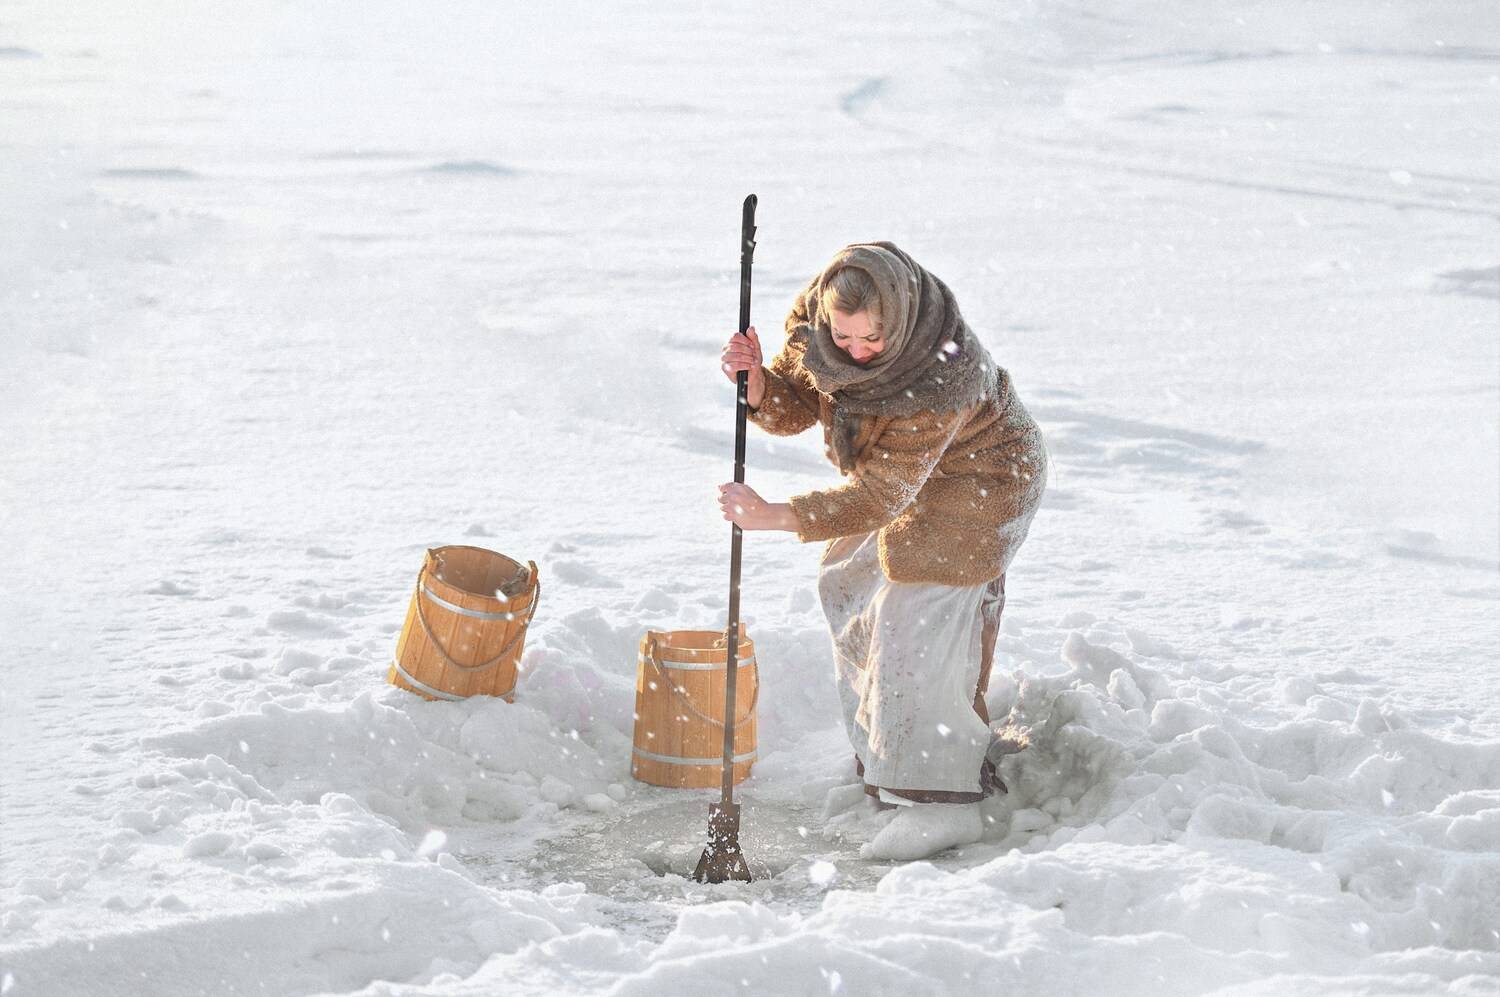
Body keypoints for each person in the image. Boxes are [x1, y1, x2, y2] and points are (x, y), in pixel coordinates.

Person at [716, 240, 1048, 861]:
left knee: (913, 618)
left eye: (872, 342)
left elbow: (882, 495)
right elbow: (805, 401)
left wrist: (778, 516)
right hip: (903, 478)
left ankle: (941, 801)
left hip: (983, 480)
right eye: (844, 341)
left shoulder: (944, 370)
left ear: (898, 321)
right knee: (848, 581)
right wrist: (758, 384)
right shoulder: (822, 324)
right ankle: (888, 755)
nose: (857, 354)